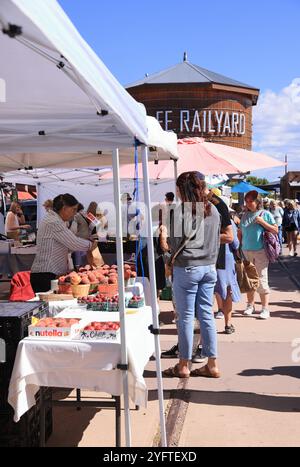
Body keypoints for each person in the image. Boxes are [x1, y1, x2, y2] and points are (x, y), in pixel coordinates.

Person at [163, 171, 221, 378]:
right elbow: (216, 240)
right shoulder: (212, 209)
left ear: (182, 189)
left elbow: (173, 244)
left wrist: (165, 241)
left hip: (187, 267)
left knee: (185, 317)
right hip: (209, 267)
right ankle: (212, 364)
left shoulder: (180, 212)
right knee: (206, 315)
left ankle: (184, 365)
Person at [30, 194, 98, 293]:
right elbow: (73, 243)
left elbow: (68, 245)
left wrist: (86, 242)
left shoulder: (56, 220)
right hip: (45, 274)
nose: (75, 213)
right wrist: (91, 245)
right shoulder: (53, 222)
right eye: (73, 209)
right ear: (64, 208)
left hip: (48, 273)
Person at [239, 190, 278, 319]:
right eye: (247, 201)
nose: (248, 204)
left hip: (260, 251)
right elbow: (241, 233)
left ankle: (265, 308)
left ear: (258, 202)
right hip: (246, 250)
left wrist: (261, 221)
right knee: (249, 280)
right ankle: (250, 305)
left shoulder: (265, 214)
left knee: (261, 279)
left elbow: (275, 230)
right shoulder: (244, 215)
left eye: (251, 201)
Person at [214, 219, 241, 334]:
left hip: (206, 259)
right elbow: (235, 244)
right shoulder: (228, 222)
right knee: (227, 290)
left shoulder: (202, 218)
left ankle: (205, 325)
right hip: (225, 259)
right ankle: (228, 324)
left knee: (209, 291)